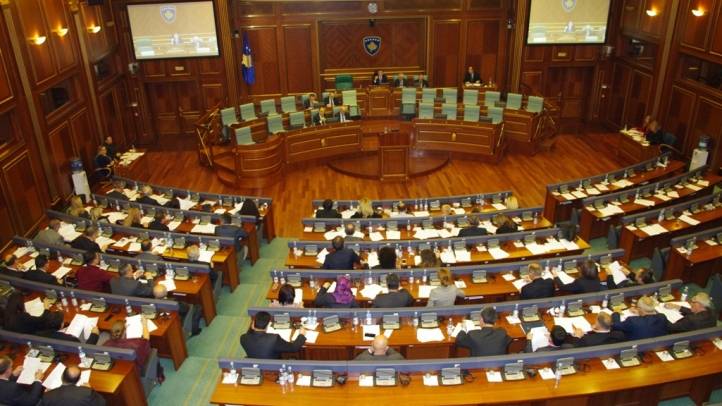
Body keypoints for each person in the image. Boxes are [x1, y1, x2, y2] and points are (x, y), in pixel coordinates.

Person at [240, 311, 307, 359]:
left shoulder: (243, 338)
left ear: (253, 324)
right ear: (267, 326)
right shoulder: (274, 339)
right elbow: (293, 348)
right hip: (274, 366)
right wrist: (301, 335)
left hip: (254, 365)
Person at [40, 364, 106, 406]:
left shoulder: (48, 396)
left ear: (62, 376)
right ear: (78, 379)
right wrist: (90, 389)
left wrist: (50, 393)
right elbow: (102, 403)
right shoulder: (87, 392)